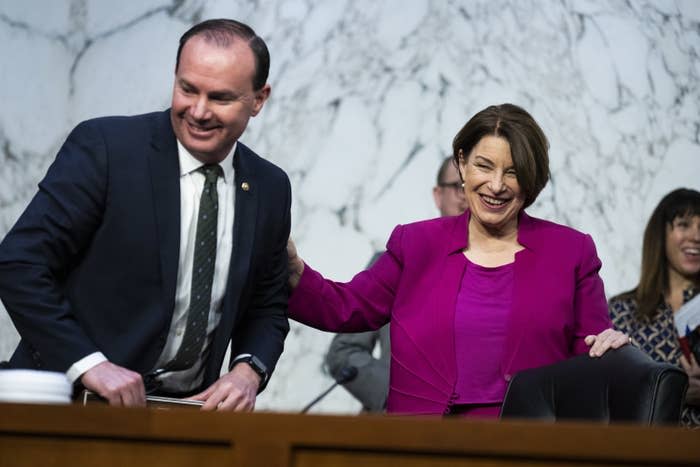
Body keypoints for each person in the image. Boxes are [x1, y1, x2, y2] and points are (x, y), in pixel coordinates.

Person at [0, 19, 291, 411]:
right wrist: (90, 363)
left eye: (220, 98)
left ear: (258, 99)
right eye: (187, 89)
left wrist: (248, 370)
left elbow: (267, 305)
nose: (198, 111)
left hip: (183, 422)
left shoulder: (270, 187)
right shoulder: (105, 150)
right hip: (68, 408)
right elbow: (19, 262)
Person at [287, 103, 628, 417]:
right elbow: (345, 307)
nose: (496, 185)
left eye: (512, 172)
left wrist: (609, 348)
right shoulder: (416, 244)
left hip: (528, 446)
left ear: (532, 178)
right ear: (463, 163)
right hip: (421, 444)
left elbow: (590, 353)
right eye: (484, 165)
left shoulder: (571, 252)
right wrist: (293, 271)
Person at [324, 157, 466, 412]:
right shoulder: (399, 263)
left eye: (475, 188)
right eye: (459, 186)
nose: (467, 196)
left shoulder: (512, 272)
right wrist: (403, 397)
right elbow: (344, 352)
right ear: (438, 195)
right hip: (396, 430)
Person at [609, 188, 700, 426]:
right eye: (684, 225)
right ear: (661, 235)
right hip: (640, 450)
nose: (696, 236)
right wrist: (671, 391)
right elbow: (603, 390)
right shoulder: (622, 311)